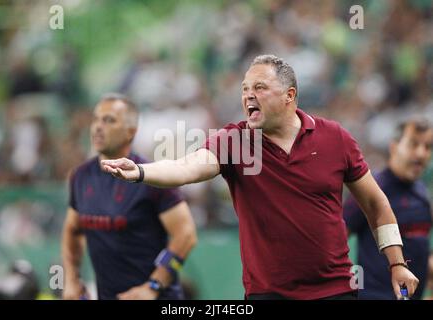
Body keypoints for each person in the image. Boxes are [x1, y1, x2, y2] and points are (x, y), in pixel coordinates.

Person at [101, 54, 419, 300]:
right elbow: (188, 167)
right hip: (268, 294)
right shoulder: (236, 140)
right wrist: (142, 171)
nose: (248, 96)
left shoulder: (334, 137)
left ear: (289, 96)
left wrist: (397, 263)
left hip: (335, 289)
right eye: (244, 89)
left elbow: (376, 203)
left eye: (259, 88)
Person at [61, 93, 197, 300]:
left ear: (130, 132)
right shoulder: (80, 176)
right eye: (96, 119)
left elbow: (186, 235)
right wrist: (71, 279)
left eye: (109, 120)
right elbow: (72, 230)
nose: (98, 126)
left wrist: (153, 286)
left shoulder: (152, 176)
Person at [344, 119, 433, 299]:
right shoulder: (372, 189)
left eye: (428, 147)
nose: (421, 153)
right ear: (394, 147)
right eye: (413, 144)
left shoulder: (422, 193)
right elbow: (338, 237)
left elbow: (420, 246)